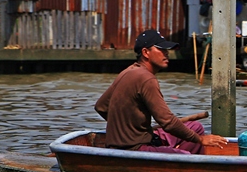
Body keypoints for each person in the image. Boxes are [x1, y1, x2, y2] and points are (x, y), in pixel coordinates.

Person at [95, 29, 227, 154]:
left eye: (166, 50)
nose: (166, 53)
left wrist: (131, 128)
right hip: (134, 148)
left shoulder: (128, 71)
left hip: (142, 139)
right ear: (146, 52)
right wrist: (201, 140)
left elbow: (101, 106)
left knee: (196, 127)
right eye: (161, 49)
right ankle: (185, 160)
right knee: (186, 154)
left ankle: (174, 152)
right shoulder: (147, 79)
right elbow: (168, 122)